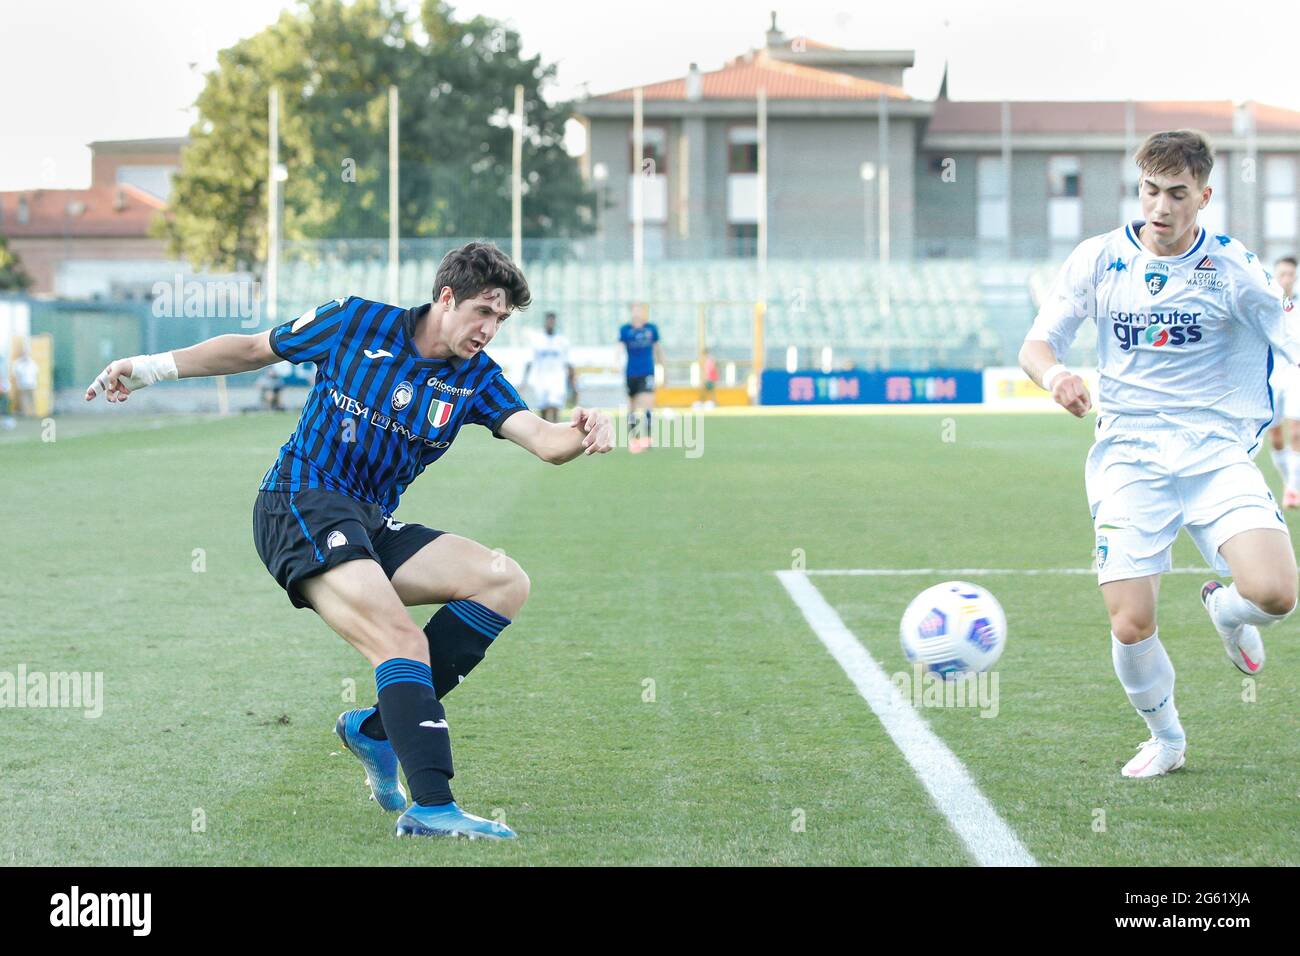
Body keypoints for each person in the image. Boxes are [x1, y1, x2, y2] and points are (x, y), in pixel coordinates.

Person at [85, 241, 614, 839]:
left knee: (502, 581)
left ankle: (377, 730)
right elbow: (255, 348)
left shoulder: (476, 380)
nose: (490, 329)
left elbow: (546, 441)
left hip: (367, 521)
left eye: (501, 319)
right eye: (483, 312)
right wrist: (150, 367)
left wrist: (587, 424)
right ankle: (432, 808)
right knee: (400, 641)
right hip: (298, 500)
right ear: (446, 297)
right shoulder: (356, 321)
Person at [1019, 129, 1299, 779]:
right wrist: (1055, 376)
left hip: (1213, 453)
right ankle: (1167, 738)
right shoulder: (1098, 259)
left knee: (1277, 594)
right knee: (1130, 622)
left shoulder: (1234, 268)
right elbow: (1038, 345)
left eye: (1177, 194)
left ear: (1203, 196)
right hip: (1129, 457)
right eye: (1150, 191)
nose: (1161, 207)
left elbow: (1289, 338)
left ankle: (1226, 610)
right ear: (1138, 188)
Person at [1264, 256, 1300, 505]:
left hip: (1295, 372)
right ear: (1275, 276)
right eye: (1282, 274)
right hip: (1270, 373)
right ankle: (1291, 481)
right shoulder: (1266, 303)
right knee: (1275, 436)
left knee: (1297, 429)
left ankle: (1292, 488)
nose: (1286, 279)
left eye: (1291, 274)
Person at [619, 303, 662, 453]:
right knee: (632, 407)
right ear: (631, 312)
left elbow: (657, 349)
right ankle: (634, 439)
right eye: (635, 310)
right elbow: (619, 347)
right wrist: (615, 361)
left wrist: (663, 367)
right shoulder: (625, 330)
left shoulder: (651, 329)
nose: (638, 313)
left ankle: (648, 438)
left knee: (648, 403)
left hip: (647, 371)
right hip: (631, 373)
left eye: (640, 310)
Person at [523, 311, 574, 423]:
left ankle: (556, 434)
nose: (550, 323)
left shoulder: (562, 341)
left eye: (552, 321)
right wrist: (524, 381)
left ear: (555, 322)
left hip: (558, 379)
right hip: (541, 379)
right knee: (543, 409)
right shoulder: (537, 340)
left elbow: (569, 363)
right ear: (545, 322)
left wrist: (573, 383)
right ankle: (544, 434)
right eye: (548, 321)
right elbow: (530, 361)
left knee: (556, 407)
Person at [12, 344, 38, 417]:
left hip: (32, 383)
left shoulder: (32, 362)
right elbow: (15, 373)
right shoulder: (18, 363)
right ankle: (25, 413)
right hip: (22, 384)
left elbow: (36, 372)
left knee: (32, 399)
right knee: (24, 399)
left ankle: (33, 413)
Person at [0, 347, 13, 429]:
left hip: (2, 385)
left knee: (5, 401)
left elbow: (3, 374)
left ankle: (7, 419)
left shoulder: (2, 360)